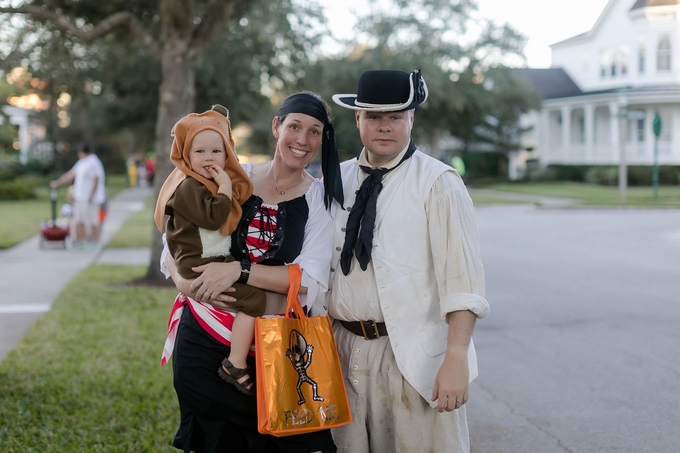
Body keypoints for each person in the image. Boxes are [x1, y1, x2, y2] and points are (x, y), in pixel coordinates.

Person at [154, 92, 344, 453]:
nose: (302, 140)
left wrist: (237, 270)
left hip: (275, 347)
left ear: (323, 139)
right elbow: (174, 239)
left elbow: (309, 279)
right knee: (216, 442)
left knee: (288, 443)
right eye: (294, 126)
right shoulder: (233, 177)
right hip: (203, 336)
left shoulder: (318, 201)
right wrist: (185, 283)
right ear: (277, 127)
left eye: (315, 131)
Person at [327, 69, 490, 453]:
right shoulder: (336, 180)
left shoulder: (439, 182)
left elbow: (463, 280)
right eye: (374, 117)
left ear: (411, 119)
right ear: (358, 119)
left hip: (413, 358)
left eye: (395, 117)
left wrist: (456, 357)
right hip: (341, 351)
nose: (384, 127)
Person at [158, 104, 267, 397]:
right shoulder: (190, 187)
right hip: (200, 263)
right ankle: (236, 362)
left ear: (227, 153)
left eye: (216, 152)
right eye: (200, 152)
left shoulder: (201, 184)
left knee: (245, 283)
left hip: (211, 257)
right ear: (185, 156)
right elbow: (214, 217)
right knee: (256, 299)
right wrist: (225, 186)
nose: (209, 158)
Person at [50, 142, 106, 248]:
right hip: (80, 197)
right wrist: (57, 183)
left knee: (93, 220)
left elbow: (96, 179)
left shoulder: (93, 162)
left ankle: (95, 243)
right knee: (79, 220)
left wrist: (91, 195)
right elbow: (71, 174)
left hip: (90, 198)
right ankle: (81, 243)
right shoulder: (82, 162)